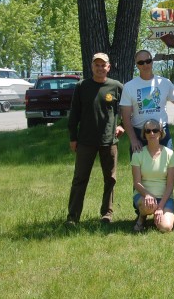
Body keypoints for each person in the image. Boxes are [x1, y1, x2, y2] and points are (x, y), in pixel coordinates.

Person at [66, 53, 124, 225]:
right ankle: (73, 217)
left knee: (110, 179)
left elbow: (128, 109)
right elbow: (74, 113)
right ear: (92, 67)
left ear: (108, 67)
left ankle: (107, 214)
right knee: (80, 179)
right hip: (85, 141)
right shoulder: (82, 86)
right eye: (96, 65)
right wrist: (73, 137)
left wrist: (121, 125)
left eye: (103, 65)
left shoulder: (116, 86)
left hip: (109, 141)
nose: (100, 68)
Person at [121, 49, 174, 155]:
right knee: (140, 170)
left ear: (152, 62)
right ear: (136, 65)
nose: (145, 65)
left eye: (148, 61)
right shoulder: (129, 86)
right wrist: (133, 140)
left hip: (162, 133)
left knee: (167, 168)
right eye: (141, 62)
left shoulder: (165, 82)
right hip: (139, 133)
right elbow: (125, 117)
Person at [131, 119, 174, 233]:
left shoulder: (170, 154)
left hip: (165, 198)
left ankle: (158, 217)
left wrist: (160, 206)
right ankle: (142, 217)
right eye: (148, 131)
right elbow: (136, 183)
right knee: (149, 205)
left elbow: (170, 185)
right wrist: (148, 195)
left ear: (160, 133)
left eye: (155, 130)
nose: (152, 133)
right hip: (144, 196)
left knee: (166, 228)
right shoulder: (137, 154)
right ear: (144, 134)